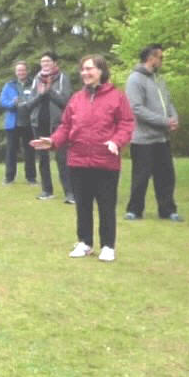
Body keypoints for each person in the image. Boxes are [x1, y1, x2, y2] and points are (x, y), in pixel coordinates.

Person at [31, 55, 134, 262]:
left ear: (101, 71)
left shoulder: (117, 97)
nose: (85, 73)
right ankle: (85, 243)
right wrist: (53, 141)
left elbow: (126, 124)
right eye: (83, 70)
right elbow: (66, 126)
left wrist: (116, 141)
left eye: (90, 69)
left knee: (106, 205)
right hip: (78, 161)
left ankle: (107, 246)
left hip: (106, 161)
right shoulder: (77, 98)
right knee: (83, 205)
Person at [124, 44, 183, 222]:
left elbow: (168, 102)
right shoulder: (134, 79)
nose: (162, 61)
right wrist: (165, 121)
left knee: (166, 176)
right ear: (151, 58)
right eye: (161, 58)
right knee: (141, 177)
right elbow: (136, 108)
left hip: (162, 138)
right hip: (143, 139)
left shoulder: (159, 80)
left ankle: (167, 210)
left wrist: (174, 118)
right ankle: (134, 210)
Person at [24, 52, 74, 202]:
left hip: (58, 124)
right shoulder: (36, 79)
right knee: (43, 159)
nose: (44, 64)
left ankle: (70, 193)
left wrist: (49, 90)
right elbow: (29, 103)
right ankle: (47, 190)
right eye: (42, 61)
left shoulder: (62, 78)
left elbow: (65, 101)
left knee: (62, 158)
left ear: (55, 63)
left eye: (47, 61)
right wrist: (40, 95)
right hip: (39, 123)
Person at [0, 61, 37, 186]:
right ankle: (9, 177)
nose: (21, 72)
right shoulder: (9, 85)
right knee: (11, 151)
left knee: (30, 151)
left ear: (27, 71)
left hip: (29, 121)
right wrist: (12, 103)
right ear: (16, 72)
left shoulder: (34, 84)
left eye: (23, 70)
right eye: (18, 70)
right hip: (13, 122)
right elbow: (2, 102)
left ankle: (31, 178)